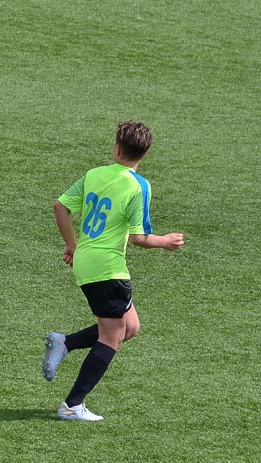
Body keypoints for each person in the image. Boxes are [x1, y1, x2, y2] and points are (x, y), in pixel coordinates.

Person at [42, 121, 184, 421]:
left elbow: (60, 206)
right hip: (108, 268)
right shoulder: (138, 185)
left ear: (117, 148)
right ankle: (72, 405)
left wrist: (72, 244)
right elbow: (139, 238)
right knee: (111, 337)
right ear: (144, 154)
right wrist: (166, 242)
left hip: (86, 261)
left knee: (129, 327)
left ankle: (64, 343)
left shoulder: (95, 174)